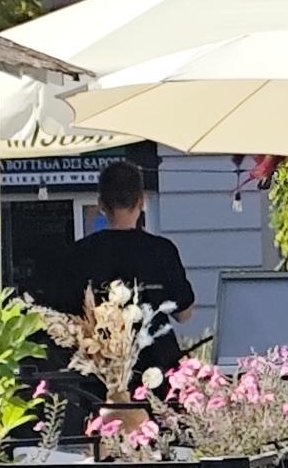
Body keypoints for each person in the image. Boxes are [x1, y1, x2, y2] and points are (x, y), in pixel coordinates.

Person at [50, 160, 198, 378]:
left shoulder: (79, 254)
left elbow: (65, 319)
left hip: (99, 373)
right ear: (141, 201)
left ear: (101, 204)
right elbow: (184, 314)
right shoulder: (162, 251)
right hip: (156, 370)